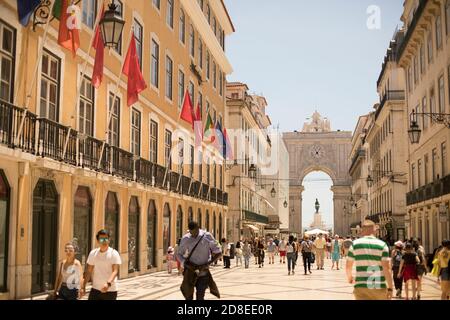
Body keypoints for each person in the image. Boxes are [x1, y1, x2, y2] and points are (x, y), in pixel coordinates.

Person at [346, 220, 394, 300]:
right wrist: (390, 288)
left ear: (362, 230)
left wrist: (350, 278)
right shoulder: (382, 245)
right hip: (378, 286)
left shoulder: (355, 244)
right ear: (374, 229)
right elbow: (386, 268)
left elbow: (348, 266)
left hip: (361, 286)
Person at [179, 221, 222, 300]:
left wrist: (208, 264)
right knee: (188, 296)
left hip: (203, 272)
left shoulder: (207, 236)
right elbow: (179, 254)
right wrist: (184, 263)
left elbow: (218, 252)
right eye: (191, 233)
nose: (193, 235)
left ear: (198, 228)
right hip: (190, 272)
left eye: (195, 232)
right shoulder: (185, 238)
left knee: (200, 296)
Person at [83, 229, 122, 300]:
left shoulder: (114, 253)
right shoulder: (93, 253)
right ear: (98, 241)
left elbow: (115, 271)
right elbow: (88, 271)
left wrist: (108, 284)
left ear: (109, 240)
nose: (104, 241)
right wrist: (83, 286)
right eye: (101, 239)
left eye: (106, 239)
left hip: (110, 290)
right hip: (95, 289)